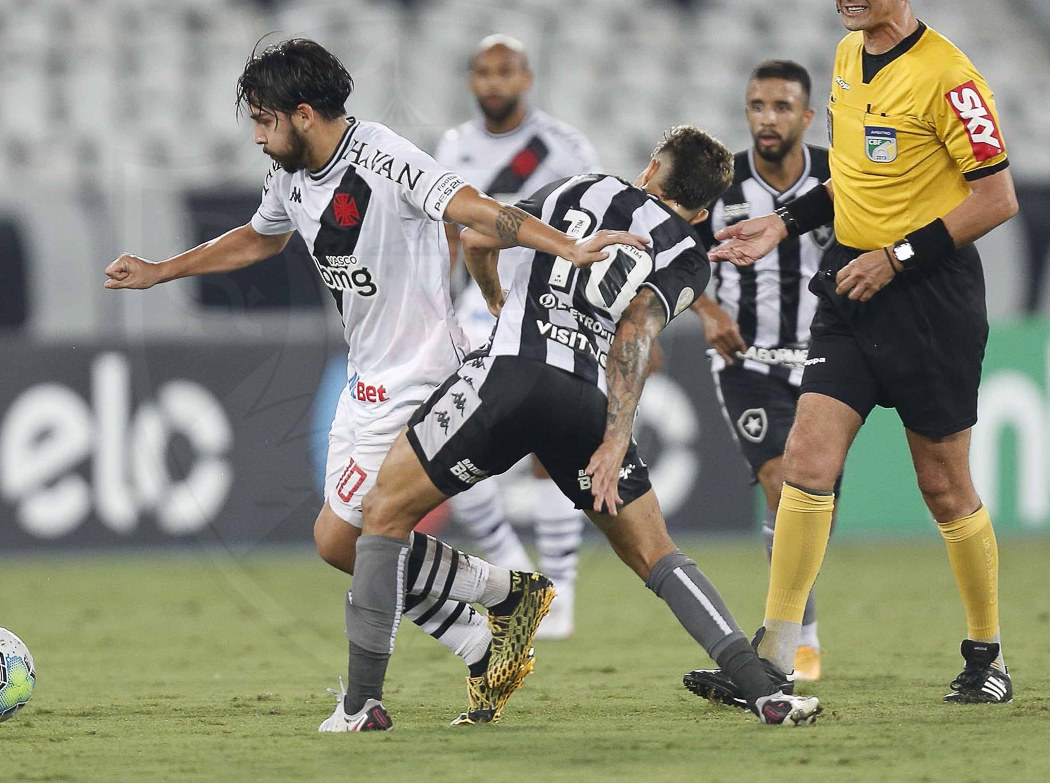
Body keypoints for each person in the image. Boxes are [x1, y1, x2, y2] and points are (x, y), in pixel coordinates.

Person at [103, 38, 621, 729]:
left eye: (264, 121)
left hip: (425, 374)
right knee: (337, 543)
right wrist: (162, 269)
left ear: (305, 113)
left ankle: (367, 699)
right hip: (369, 377)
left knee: (368, 531)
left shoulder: (383, 156)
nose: (258, 136)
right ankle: (493, 611)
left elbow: (472, 208)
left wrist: (567, 246)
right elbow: (261, 238)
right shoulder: (290, 174)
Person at [325, 126, 823, 732]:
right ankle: (763, 693)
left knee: (382, 515)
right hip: (583, 401)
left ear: (651, 169)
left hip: (505, 380)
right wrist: (615, 439)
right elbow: (636, 330)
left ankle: (362, 706)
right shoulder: (690, 254)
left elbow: (478, 236)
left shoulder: (580, 186)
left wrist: (501, 303)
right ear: (702, 207)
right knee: (657, 555)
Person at [685, 0, 1019, 710]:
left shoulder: (951, 77)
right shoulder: (843, 59)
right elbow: (854, 183)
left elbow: (996, 198)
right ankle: (773, 653)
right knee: (806, 462)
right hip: (849, 287)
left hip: (928, 298)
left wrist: (898, 256)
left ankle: (986, 655)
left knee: (943, 485)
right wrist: (784, 223)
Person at [434, 34, 602, 639]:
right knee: (455, 441)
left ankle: (561, 592)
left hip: (543, 307)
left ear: (526, 78)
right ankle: (511, 564)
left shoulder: (562, 147)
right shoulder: (453, 146)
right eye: (483, 71)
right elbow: (446, 234)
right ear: (471, 80)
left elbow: (596, 225)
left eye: (505, 71)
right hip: (474, 309)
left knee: (548, 450)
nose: (494, 82)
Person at [690, 60, 834, 681]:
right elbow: (677, 259)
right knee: (781, 482)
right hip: (745, 363)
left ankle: (797, 627)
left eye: (781, 107)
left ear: (806, 116)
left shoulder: (837, 176)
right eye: (757, 106)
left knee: (811, 502)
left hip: (826, 362)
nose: (767, 119)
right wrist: (706, 308)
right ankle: (798, 640)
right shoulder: (718, 189)